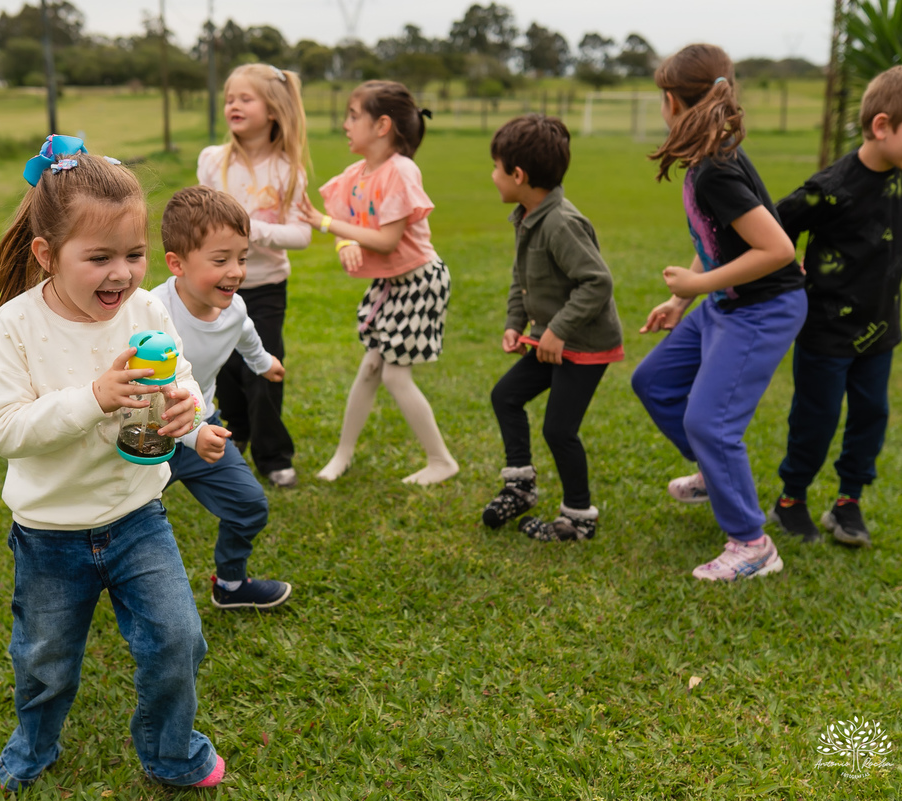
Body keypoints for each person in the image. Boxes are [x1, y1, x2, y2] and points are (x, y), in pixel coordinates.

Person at [0, 136, 223, 791]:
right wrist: (93, 398)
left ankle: (172, 751)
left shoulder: (145, 309)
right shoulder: (15, 325)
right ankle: (34, 741)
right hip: (49, 533)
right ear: (47, 254)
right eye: (99, 258)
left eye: (134, 254)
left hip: (137, 515)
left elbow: (182, 376)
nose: (121, 274)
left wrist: (187, 408)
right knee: (46, 660)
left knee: (177, 639)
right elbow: (6, 430)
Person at [629, 44, 806, 581]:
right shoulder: (706, 159)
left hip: (762, 309)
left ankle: (753, 545)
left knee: (709, 422)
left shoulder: (717, 171)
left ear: (671, 101)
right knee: (654, 382)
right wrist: (681, 300)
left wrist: (699, 284)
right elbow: (716, 239)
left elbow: (778, 249)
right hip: (725, 303)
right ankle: (715, 473)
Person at [769, 64, 902, 547]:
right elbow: (775, 225)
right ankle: (790, 501)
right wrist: (791, 270)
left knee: (871, 415)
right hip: (826, 333)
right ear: (882, 125)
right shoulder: (830, 187)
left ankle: (848, 503)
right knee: (816, 418)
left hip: (880, 330)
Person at [300, 80, 459, 486]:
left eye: (354, 116)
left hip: (420, 283)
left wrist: (325, 224)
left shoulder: (401, 171)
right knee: (372, 367)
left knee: (393, 375)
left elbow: (387, 240)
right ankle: (343, 455)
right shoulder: (355, 175)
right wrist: (343, 243)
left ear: (382, 125)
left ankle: (441, 460)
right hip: (392, 285)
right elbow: (347, 225)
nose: (345, 124)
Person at [480, 115, 624, 541]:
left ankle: (578, 518)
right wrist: (515, 322)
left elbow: (597, 282)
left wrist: (557, 330)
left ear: (518, 175)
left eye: (496, 167)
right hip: (551, 340)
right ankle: (520, 486)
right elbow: (521, 275)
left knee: (559, 430)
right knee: (506, 396)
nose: (492, 176)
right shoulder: (528, 215)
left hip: (584, 344)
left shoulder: (561, 222)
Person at [153, 185, 293, 609]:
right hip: (151, 434)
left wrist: (263, 363)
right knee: (121, 522)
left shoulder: (234, 308)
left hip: (205, 428)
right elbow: (149, 388)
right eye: (221, 260)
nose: (236, 272)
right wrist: (189, 432)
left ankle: (230, 585)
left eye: (242, 258)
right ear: (177, 264)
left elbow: (245, 333)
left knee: (249, 505)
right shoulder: (151, 312)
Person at [198, 63, 311, 488]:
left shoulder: (287, 170)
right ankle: (238, 432)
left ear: (274, 110)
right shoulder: (212, 161)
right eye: (230, 98)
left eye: (246, 98)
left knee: (261, 368)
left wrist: (252, 229)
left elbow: (301, 235)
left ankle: (274, 456)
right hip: (216, 287)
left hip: (265, 287)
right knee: (224, 367)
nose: (234, 105)